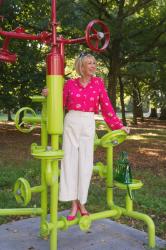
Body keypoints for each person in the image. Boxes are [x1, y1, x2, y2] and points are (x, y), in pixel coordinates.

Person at [42, 52, 130, 221]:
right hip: (71, 122)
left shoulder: (98, 83)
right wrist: (50, 93)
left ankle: (82, 202)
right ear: (81, 67)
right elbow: (59, 102)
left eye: (94, 63)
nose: (93, 65)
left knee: (85, 164)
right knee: (69, 163)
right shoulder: (70, 84)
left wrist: (119, 126)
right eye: (89, 63)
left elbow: (106, 107)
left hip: (88, 123)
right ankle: (74, 204)